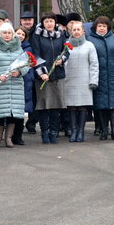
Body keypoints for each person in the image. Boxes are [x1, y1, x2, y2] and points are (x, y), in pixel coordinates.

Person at [0, 23, 28, 148]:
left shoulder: (19, 49)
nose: (7, 35)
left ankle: (8, 138)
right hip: (0, 85)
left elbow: (26, 66)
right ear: (0, 34)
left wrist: (19, 72)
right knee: (0, 112)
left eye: (9, 33)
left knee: (12, 113)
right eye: (4, 33)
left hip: (15, 85)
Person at [32, 12, 69, 144]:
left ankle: (54, 132)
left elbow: (66, 51)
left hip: (58, 74)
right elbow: (35, 55)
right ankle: (44, 132)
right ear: (43, 22)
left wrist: (62, 59)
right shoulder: (37, 35)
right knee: (44, 105)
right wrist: (42, 72)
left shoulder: (60, 34)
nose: (49, 23)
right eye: (46, 21)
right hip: (43, 76)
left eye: (51, 21)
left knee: (56, 105)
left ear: (55, 22)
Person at [88, 16, 114, 141]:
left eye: (104, 26)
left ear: (108, 27)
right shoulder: (90, 39)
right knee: (101, 105)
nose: (102, 28)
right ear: (95, 27)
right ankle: (104, 130)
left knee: (113, 105)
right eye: (100, 26)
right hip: (98, 77)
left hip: (113, 76)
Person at [64, 21, 99, 142]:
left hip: (85, 80)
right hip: (70, 80)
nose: (76, 32)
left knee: (82, 107)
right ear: (71, 31)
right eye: (74, 30)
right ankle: (73, 131)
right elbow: (62, 62)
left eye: (79, 29)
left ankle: (81, 131)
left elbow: (94, 64)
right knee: (72, 107)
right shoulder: (66, 45)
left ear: (83, 31)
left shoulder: (89, 45)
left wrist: (93, 81)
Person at [13, 26, 34, 144]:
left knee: (21, 111)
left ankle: (18, 136)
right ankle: (9, 135)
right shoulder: (10, 47)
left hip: (24, 80)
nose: (20, 36)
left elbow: (30, 66)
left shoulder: (29, 48)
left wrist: (28, 77)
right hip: (12, 80)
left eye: (22, 34)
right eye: (18, 33)